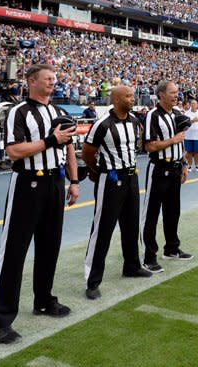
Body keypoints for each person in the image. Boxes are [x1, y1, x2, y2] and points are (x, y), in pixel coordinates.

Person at [0, 63, 80, 345]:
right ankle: (2, 320)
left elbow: (68, 149)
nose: (53, 82)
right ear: (32, 81)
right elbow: (14, 151)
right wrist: (49, 140)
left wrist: (74, 181)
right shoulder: (18, 112)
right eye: (48, 78)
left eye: (55, 78)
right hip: (28, 183)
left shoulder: (59, 112)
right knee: (14, 251)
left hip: (55, 183)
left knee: (50, 245)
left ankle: (44, 300)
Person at [81, 85, 152, 301]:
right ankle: (92, 280)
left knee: (131, 226)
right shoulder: (102, 124)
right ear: (117, 99)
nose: (133, 99)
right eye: (129, 96)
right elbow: (87, 153)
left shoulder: (134, 122)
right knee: (103, 229)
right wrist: (98, 171)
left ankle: (131, 266)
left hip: (132, 177)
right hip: (110, 179)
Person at [142, 81, 192, 274]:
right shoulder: (152, 116)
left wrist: (185, 164)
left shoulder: (176, 114)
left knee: (173, 211)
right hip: (159, 169)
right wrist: (172, 140)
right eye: (172, 92)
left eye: (177, 92)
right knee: (151, 215)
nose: (176, 96)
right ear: (161, 95)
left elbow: (180, 144)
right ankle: (149, 256)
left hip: (175, 168)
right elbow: (150, 146)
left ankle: (172, 248)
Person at [183, 98, 198, 172]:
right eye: (191, 103)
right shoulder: (186, 113)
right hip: (188, 135)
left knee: (197, 152)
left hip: (197, 136)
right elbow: (185, 124)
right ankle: (189, 166)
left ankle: (197, 165)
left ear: (197, 105)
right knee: (189, 152)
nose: (193, 105)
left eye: (194, 104)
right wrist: (192, 121)